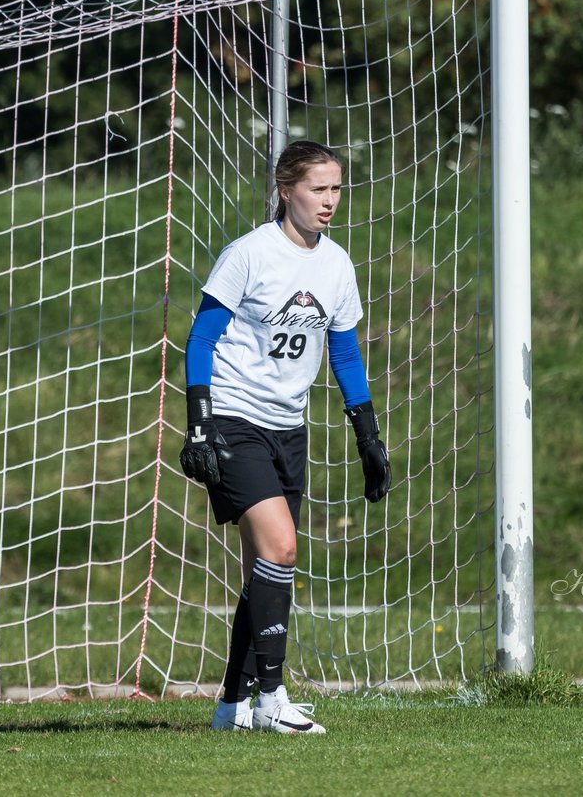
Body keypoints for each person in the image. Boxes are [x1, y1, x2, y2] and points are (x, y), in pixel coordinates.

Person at [180, 140, 391, 734]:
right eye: (318, 189)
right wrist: (199, 423)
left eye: (336, 189)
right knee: (283, 549)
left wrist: (368, 437)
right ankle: (272, 697)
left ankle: (231, 708)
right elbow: (201, 341)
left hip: (287, 429)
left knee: (264, 573)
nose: (330, 201)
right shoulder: (249, 255)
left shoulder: (337, 265)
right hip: (234, 420)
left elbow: (344, 353)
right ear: (285, 190)